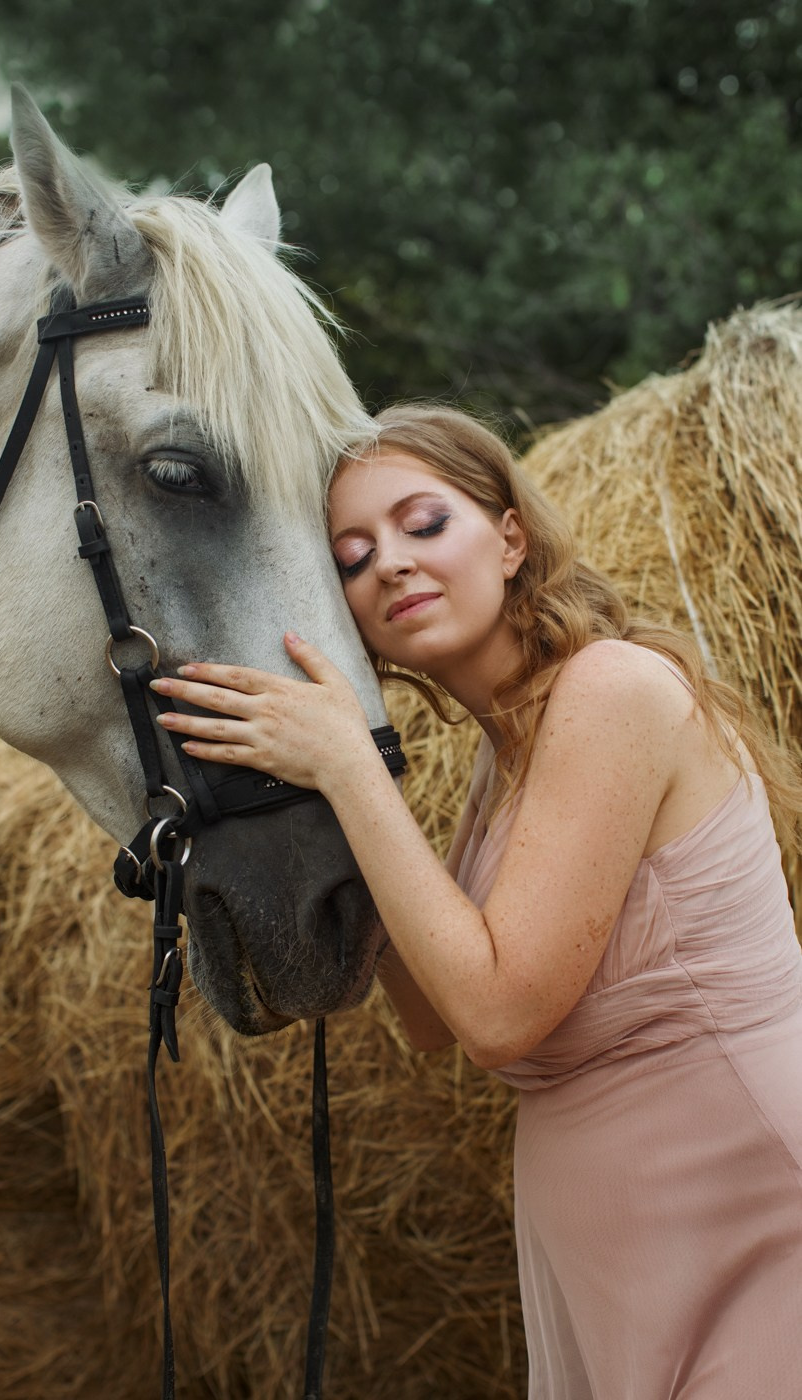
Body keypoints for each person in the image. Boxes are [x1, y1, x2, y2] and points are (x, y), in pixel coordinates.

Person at [150, 403, 802, 1399]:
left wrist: (346, 765)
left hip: (739, 1197)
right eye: (354, 557)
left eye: (423, 523)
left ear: (509, 537)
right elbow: (428, 1018)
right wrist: (331, 784)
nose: (392, 564)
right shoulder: (504, 769)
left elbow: (499, 1015)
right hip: (611, 1234)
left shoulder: (611, 688)